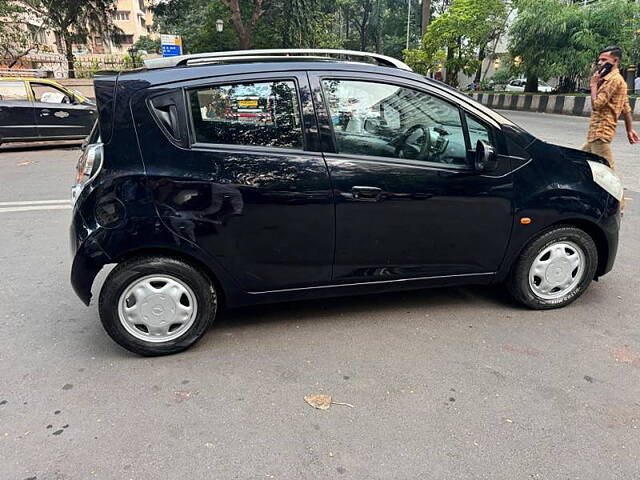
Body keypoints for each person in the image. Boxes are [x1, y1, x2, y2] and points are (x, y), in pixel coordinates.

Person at [581, 46, 639, 170]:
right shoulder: (612, 80)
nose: (600, 63)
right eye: (599, 60)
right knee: (579, 162)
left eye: (603, 60)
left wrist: (593, 85)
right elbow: (626, 107)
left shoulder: (614, 80)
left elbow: (597, 105)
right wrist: (630, 130)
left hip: (600, 134)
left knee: (608, 169)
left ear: (615, 61)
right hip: (595, 134)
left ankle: (615, 190)